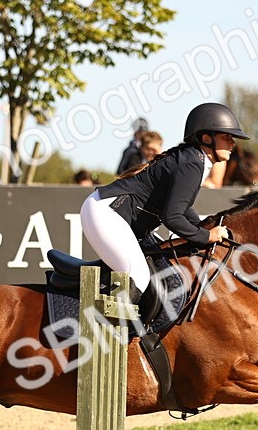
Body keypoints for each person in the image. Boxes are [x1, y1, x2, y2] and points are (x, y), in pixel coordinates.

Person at [80, 101, 245, 297]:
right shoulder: (192, 163)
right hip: (107, 213)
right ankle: (109, 327)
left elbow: (182, 209)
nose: (232, 142)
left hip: (111, 212)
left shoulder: (195, 159)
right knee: (139, 276)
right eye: (227, 136)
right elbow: (172, 218)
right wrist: (207, 236)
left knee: (159, 267)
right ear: (206, 137)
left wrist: (204, 226)